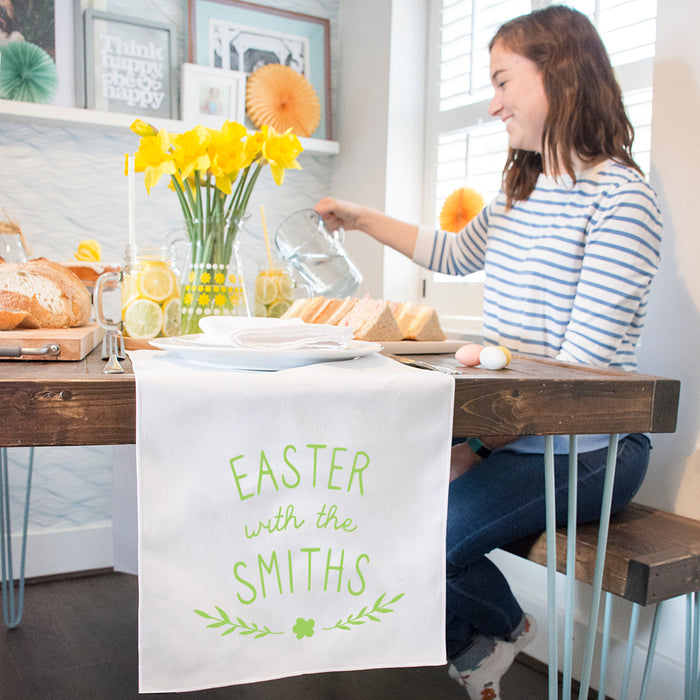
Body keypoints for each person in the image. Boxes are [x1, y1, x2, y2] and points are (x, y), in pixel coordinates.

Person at [315, 6, 662, 699]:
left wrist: (473, 445)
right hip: (517, 435)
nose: (494, 102)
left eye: (504, 82)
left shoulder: (623, 200)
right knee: (375, 516)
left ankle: (490, 632)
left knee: (420, 542)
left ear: (560, 76)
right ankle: (495, 631)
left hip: (589, 449)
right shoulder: (518, 196)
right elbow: (448, 251)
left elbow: (572, 380)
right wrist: (358, 217)